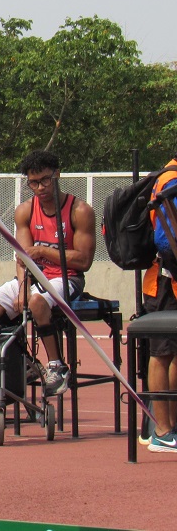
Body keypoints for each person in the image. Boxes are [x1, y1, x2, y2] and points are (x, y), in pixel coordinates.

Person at [0, 150, 95, 397]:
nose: (41, 187)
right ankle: (25, 361)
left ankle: (57, 365)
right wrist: (23, 284)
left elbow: (84, 260)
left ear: (57, 175)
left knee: (37, 301)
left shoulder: (79, 210)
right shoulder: (25, 210)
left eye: (45, 180)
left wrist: (44, 250)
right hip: (34, 276)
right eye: (34, 182)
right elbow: (23, 257)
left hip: (67, 277)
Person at [142, 156, 177, 452]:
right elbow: (166, 241)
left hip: (169, 279)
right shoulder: (171, 180)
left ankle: (171, 426)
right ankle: (162, 431)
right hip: (165, 281)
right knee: (162, 353)